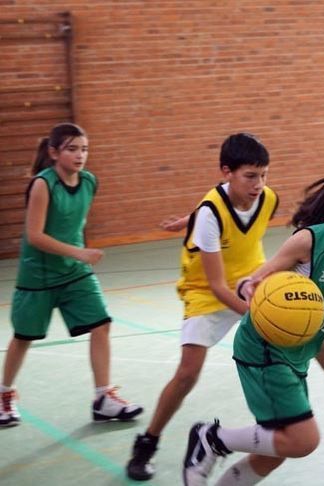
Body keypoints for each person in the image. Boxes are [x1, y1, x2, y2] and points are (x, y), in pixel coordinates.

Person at [181, 165, 324, 485]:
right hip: (264, 349)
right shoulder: (311, 242)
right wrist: (250, 284)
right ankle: (213, 438)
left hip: (295, 357)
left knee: (274, 452)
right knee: (303, 440)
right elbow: (258, 275)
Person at [125, 133, 279, 480]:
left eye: (264, 175)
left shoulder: (268, 199)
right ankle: (146, 443)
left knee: (281, 350)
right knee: (187, 373)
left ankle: (272, 429)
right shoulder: (210, 213)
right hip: (207, 290)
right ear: (227, 172)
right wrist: (259, 315)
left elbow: (234, 224)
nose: (259, 184)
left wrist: (186, 219)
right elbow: (216, 285)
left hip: (251, 281)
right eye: (250, 176)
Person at [0, 123, 143, 428]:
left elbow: (72, 224)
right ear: (53, 153)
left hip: (74, 273)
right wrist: (80, 252)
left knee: (101, 324)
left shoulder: (90, 181)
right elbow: (35, 235)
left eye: (84, 148)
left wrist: (78, 256)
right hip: (38, 276)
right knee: (23, 338)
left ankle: (103, 398)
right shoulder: (43, 184)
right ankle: (4, 394)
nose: (80, 155)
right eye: (72, 149)